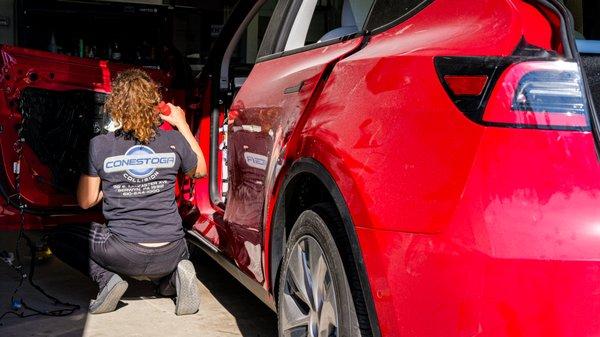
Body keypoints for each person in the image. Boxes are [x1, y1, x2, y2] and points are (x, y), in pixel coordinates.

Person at [75, 68, 207, 315]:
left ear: (115, 105)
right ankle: (173, 280)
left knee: (66, 235)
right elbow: (199, 170)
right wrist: (181, 124)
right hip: (172, 249)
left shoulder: (100, 145)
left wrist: (112, 182)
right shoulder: (174, 141)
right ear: (154, 104)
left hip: (123, 252)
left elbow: (86, 201)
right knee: (173, 260)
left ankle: (108, 280)